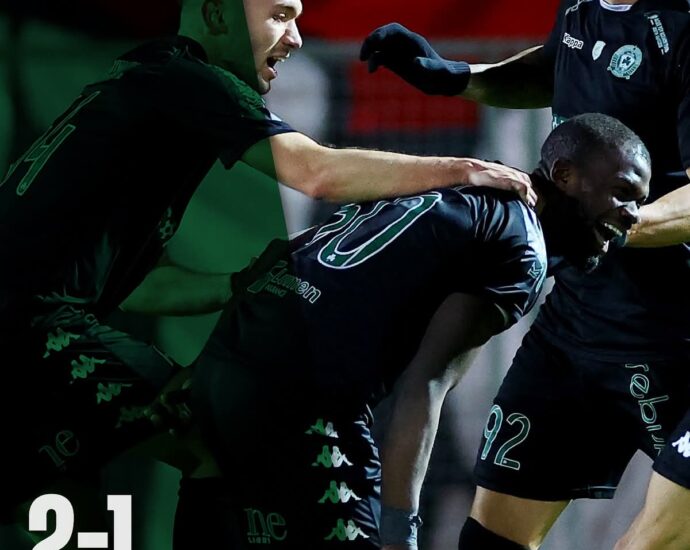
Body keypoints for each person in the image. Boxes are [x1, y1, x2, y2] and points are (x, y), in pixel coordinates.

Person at [0, 0, 538, 527]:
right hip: (33, 327)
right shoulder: (193, 80)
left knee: (100, 479)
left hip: (30, 326)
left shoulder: (148, 81)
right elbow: (316, 173)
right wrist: (462, 170)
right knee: (211, 440)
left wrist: (238, 284)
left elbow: (144, 288)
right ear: (218, 16)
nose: (295, 38)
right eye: (279, 16)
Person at [169, 114, 649, 550]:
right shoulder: (521, 247)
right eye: (623, 192)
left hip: (223, 368)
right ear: (563, 175)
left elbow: (292, 255)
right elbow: (427, 385)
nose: (632, 215)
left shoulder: (445, 183)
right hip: (302, 399)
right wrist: (401, 533)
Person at [360, 1, 690, 548]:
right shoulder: (583, 6)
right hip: (576, 327)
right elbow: (558, 66)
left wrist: (615, 224)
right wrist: (461, 78)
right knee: (489, 541)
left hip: (675, 336)